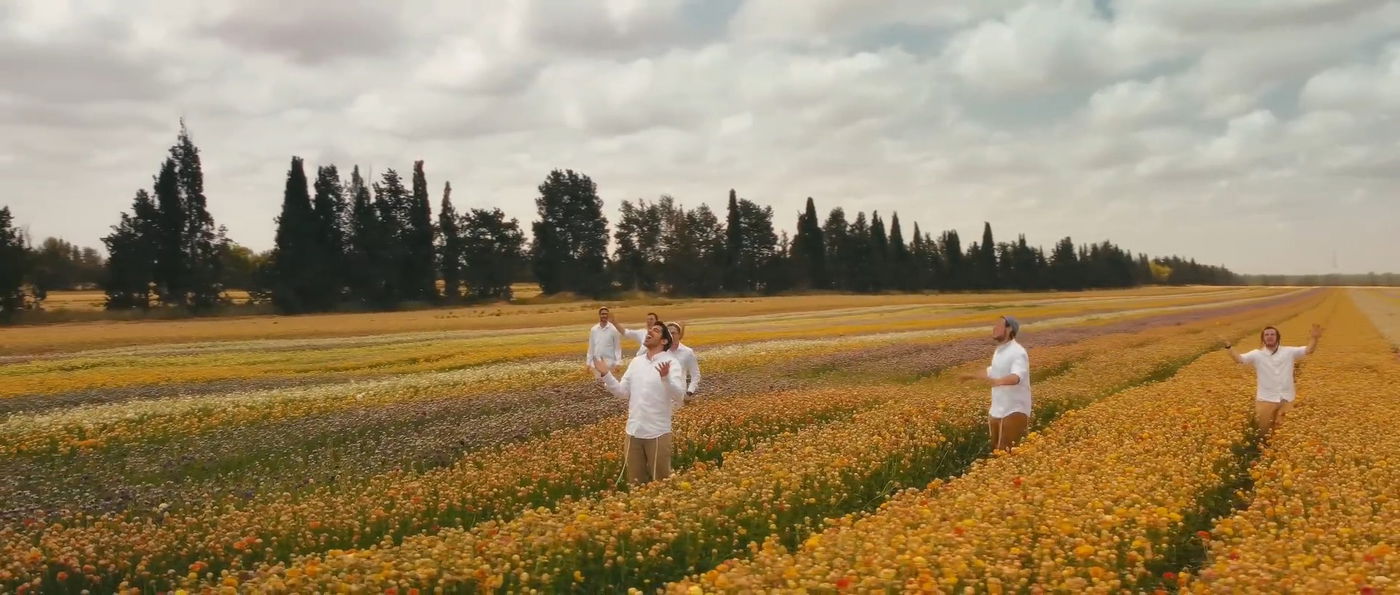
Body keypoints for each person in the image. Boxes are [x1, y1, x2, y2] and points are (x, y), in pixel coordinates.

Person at [592, 320, 686, 485]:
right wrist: (606, 374)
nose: (650, 332)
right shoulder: (637, 362)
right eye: (650, 329)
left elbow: (679, 396)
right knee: (635, 484)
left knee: (662, 484)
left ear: (664, 341)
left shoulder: (672, 363)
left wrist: (665, 379)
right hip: (633, 432)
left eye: (656, 331)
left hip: (657, 432)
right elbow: (622, 393)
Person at [1222, 324, 1322, 435]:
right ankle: (1263, 449)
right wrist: (1229, 347)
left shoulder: (1288, 352)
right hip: (1265, 399)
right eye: (1266, 334)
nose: (1269, 336)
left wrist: (1314, 338)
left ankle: (1277, 450)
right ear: (1263, 338)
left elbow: (1308, 350)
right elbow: (1240, 360)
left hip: (1286, 399)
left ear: (1277, 337)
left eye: (1272, 334)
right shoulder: (1257, 354)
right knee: (1263, 432)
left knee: (1284, 433)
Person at [961, 315, 1031, 452]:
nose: (994, 328)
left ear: (1009, 329)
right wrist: (971, 376)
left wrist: (998, 381)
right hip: (998, 408)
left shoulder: (1018, 352)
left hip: (1015, 408)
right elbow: (993, 371)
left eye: (999, 325)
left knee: (1006, 451)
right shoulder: (999, 351)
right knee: (996, 450)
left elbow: (1017, 376)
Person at [666, 321, 701, 403]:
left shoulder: (687, 352)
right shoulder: (660, 352)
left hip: (679, 396)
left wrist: (689, 392)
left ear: (679, 334)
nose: (671, 336)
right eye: (668, 333)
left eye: (673, 333)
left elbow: (696, 374)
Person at [586, 307, 623, 374]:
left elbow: (617, 348)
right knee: (599, 383)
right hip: (597, 364)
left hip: (610, 364)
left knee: (609, 384)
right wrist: (588, 363)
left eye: (606, 314)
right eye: (602, 314)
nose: (604, 316)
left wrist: (618, 363)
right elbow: (591, 347)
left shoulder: (614, 329)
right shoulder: (594, 330)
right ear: (599, 315)